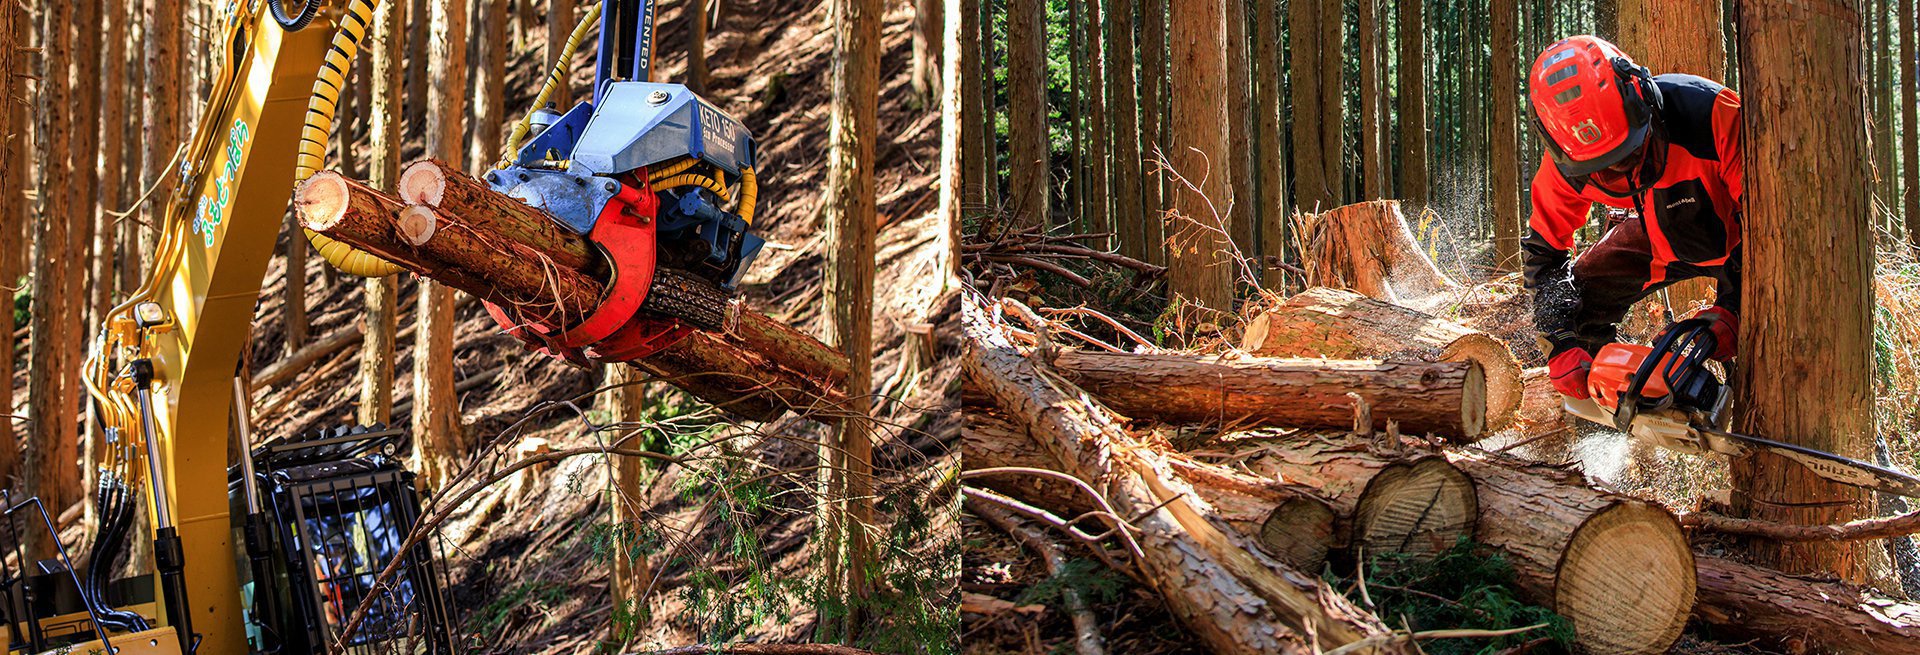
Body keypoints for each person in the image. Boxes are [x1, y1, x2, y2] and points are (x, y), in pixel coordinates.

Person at [1522, 35, 1743, 399]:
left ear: (1643, 101)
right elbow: (1544, 255)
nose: (1624, 174)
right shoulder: (1564, 169)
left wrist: (1733, 305)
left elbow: (1770, 229)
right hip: (1655, 236)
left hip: (1739, 238)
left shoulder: (1711, 115)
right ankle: (1604, 427)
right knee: (1578, 303)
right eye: (1604, 170)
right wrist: (1560, 342)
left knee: (1768, 314)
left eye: (1629, 154)